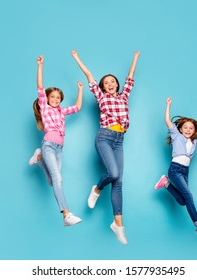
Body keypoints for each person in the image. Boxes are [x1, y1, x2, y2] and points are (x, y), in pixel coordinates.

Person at [71, 50, 140, 245]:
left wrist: (134, 58)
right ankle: (97, 188)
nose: (110, 84)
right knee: (114, 173)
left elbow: (130, 78)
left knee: (118, 182)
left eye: (113, 81)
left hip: (119, 139)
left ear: (117, 85)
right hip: (105, 137)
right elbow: (89, 76)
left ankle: (118, 225)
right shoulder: (101, 97)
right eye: (106, 82)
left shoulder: (124, 96)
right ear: (102, 87)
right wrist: (77, 58)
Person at [29, 55, 83, 227]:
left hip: (59, 148)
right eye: (52, 97)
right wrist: (40, 66)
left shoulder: (61, 111)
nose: (55, 100)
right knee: (57, 180)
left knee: (54, 181)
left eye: (58, 98)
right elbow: (40, 86)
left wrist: (80, 89)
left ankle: (39, 159)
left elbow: (77, 107)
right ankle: (66, 214)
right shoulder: (44, 108)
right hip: (49, 146)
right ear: (47, 99)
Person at [154, 97, 197, 236]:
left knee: (183, 201)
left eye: (191, 128)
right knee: (189, 196)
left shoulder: (194, 140)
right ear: (180, 129)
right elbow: (167, 121)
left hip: (185, 171)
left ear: (194, 131)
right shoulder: (176, 136)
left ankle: (166, 183)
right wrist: (168, 105)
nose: (188, 130)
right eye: (185, 127)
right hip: (175, 169)